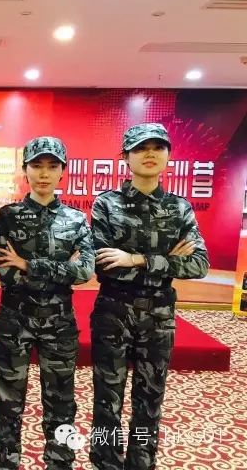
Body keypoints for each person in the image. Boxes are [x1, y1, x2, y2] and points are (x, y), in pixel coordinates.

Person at [89, 123, 210, 470]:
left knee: (151, 397)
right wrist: (168, 260)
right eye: (141, 148)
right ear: (125, 157)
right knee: (107, 397)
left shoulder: (179, 208)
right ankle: (104, 460)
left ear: (168, 155)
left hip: (159, 315)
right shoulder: (106, 204)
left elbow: (199, 264)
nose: (150, 154)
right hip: (113, 311)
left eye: (158, 147)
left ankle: (142, 461)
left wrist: (136, 258)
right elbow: (104, 265)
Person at [0, 137, 95, 470]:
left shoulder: (76, 219)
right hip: (14, 321)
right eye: (36, 166)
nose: (44, 174)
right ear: (25, 170)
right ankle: (4, 463)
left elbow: (85, 271)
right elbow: (7, 274)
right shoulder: (8, 216)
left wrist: (29, 264)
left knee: (62, 404)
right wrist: (61, 269)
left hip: (60, 324)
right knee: (8, 402)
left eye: (52, 166)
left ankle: (60, 462)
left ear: (63, 171)